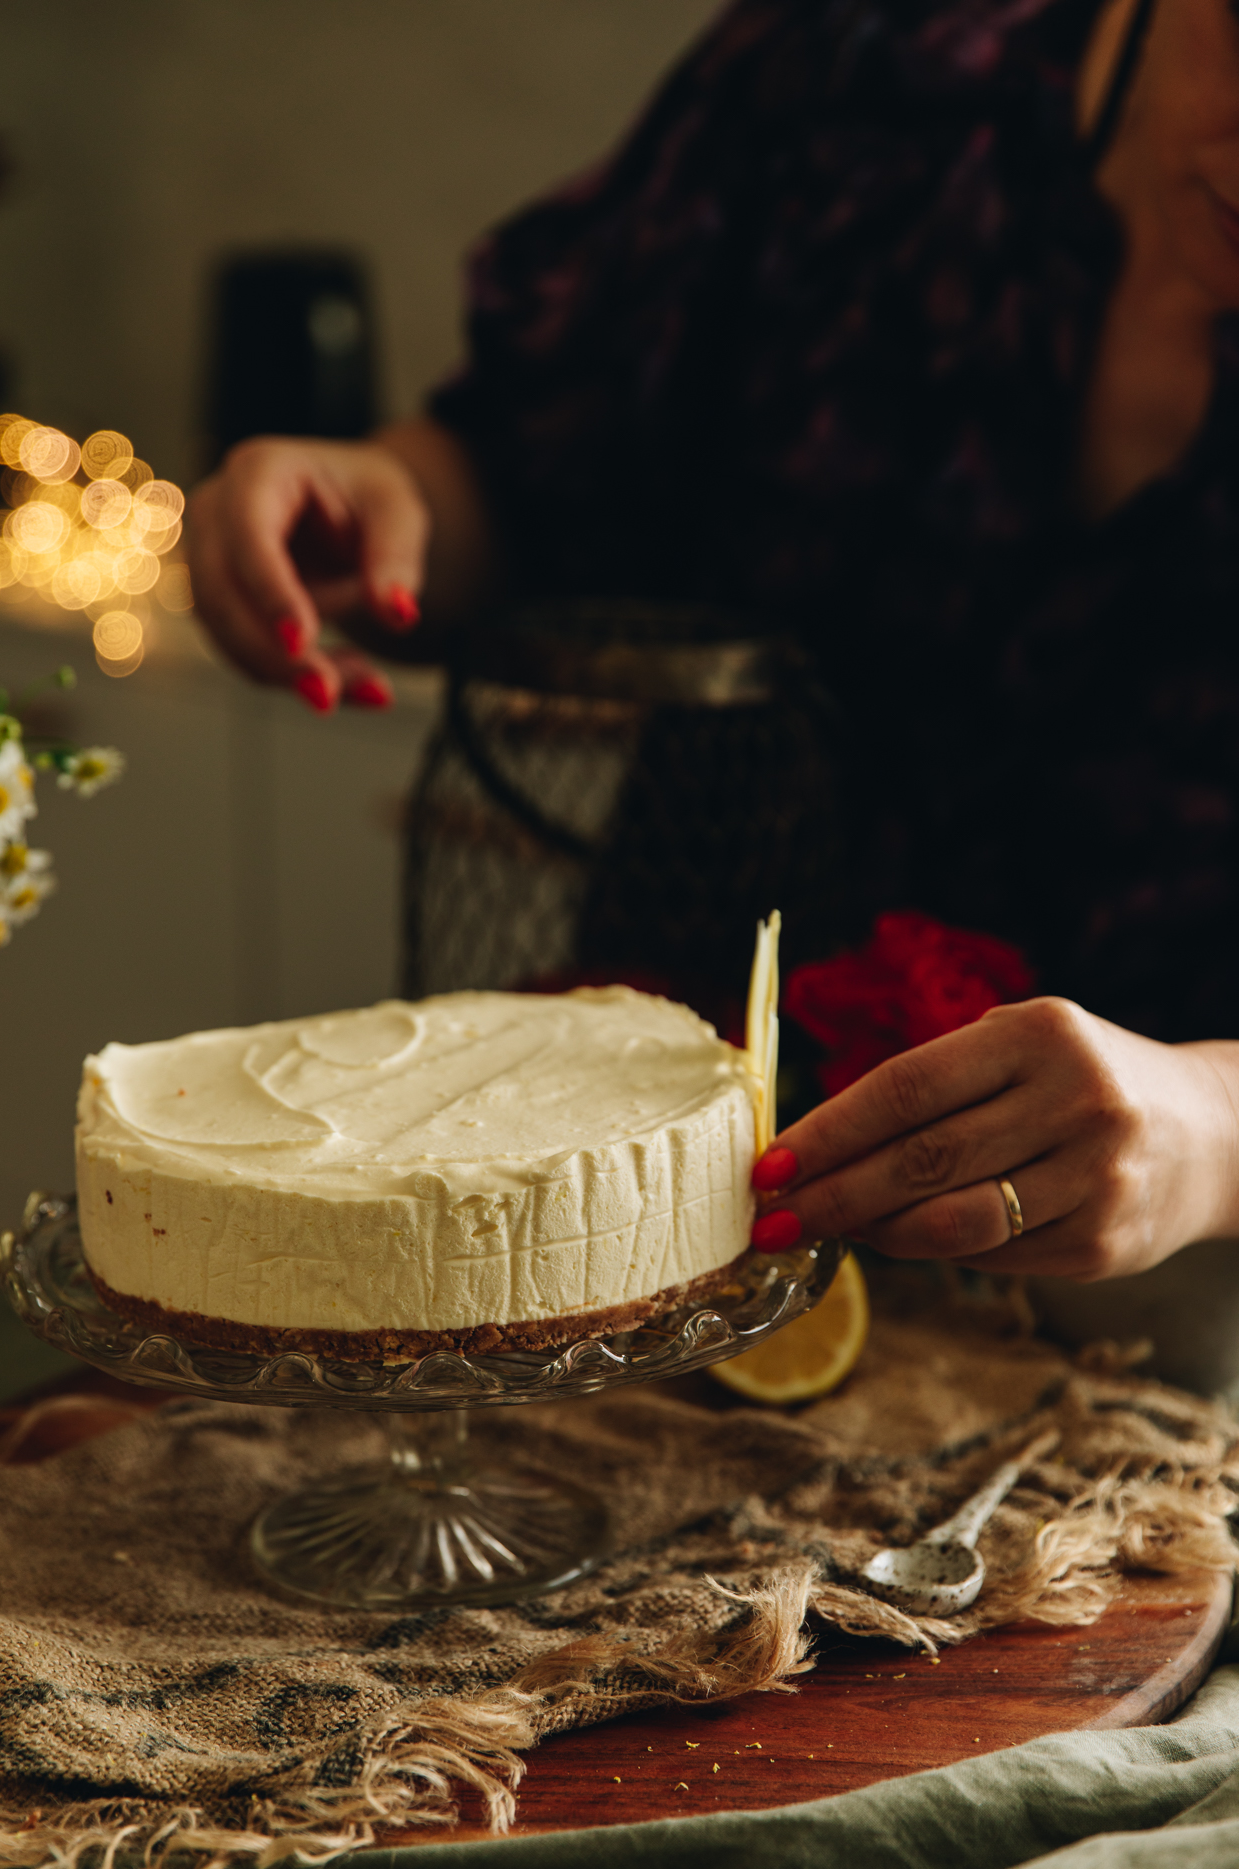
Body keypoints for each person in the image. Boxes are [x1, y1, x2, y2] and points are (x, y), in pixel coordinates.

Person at [188, 0, 1239, 1290]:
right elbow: (525, 471)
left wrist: (1216, 1128)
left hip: (1172, 1340)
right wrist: (379, 503)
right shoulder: (852, 81)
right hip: (635, 1211)